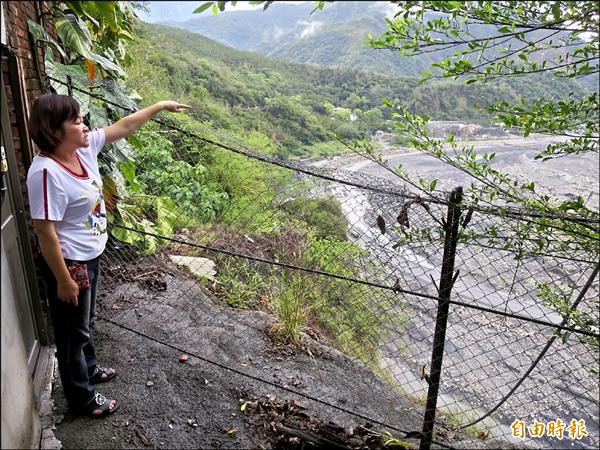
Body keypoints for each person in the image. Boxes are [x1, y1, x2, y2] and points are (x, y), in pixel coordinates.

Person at [26, 94, 191, 417]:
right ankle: (81, 398)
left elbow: (124, 126)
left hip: (91, 255)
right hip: (70, 263)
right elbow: (44, 231)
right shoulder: (46, 173)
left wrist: (159, 106)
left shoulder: (83, 149)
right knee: (72, 334)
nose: (84, 125)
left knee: (84, 322)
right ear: (55, 131)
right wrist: (62, 279)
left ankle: (88, 370)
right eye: (75, 121)